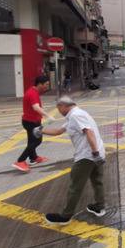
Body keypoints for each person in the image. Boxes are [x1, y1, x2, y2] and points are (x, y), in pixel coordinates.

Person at [39, 96, 106, 224]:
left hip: (87, 156)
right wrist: (42, 131)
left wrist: (95, 152)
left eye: (58, 108)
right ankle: (99, 207)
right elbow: (59, 131)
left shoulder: (75, 115)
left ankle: (66, 216)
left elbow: (89, 132)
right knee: (97, 181)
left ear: (63, 106)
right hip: (96, 153)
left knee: (75, 186)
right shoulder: (76, 115)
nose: (58, 111)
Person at [12, 76, 55, 172]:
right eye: (46, 84)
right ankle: (20, 161)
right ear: (40, 84)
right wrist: (48, 116)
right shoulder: (32, 93)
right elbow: (36, 107)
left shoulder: (34, 91)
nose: (47, 87)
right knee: (36, 141)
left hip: (32, 121)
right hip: (31, 122)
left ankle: (33, 157)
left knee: (32, 141)